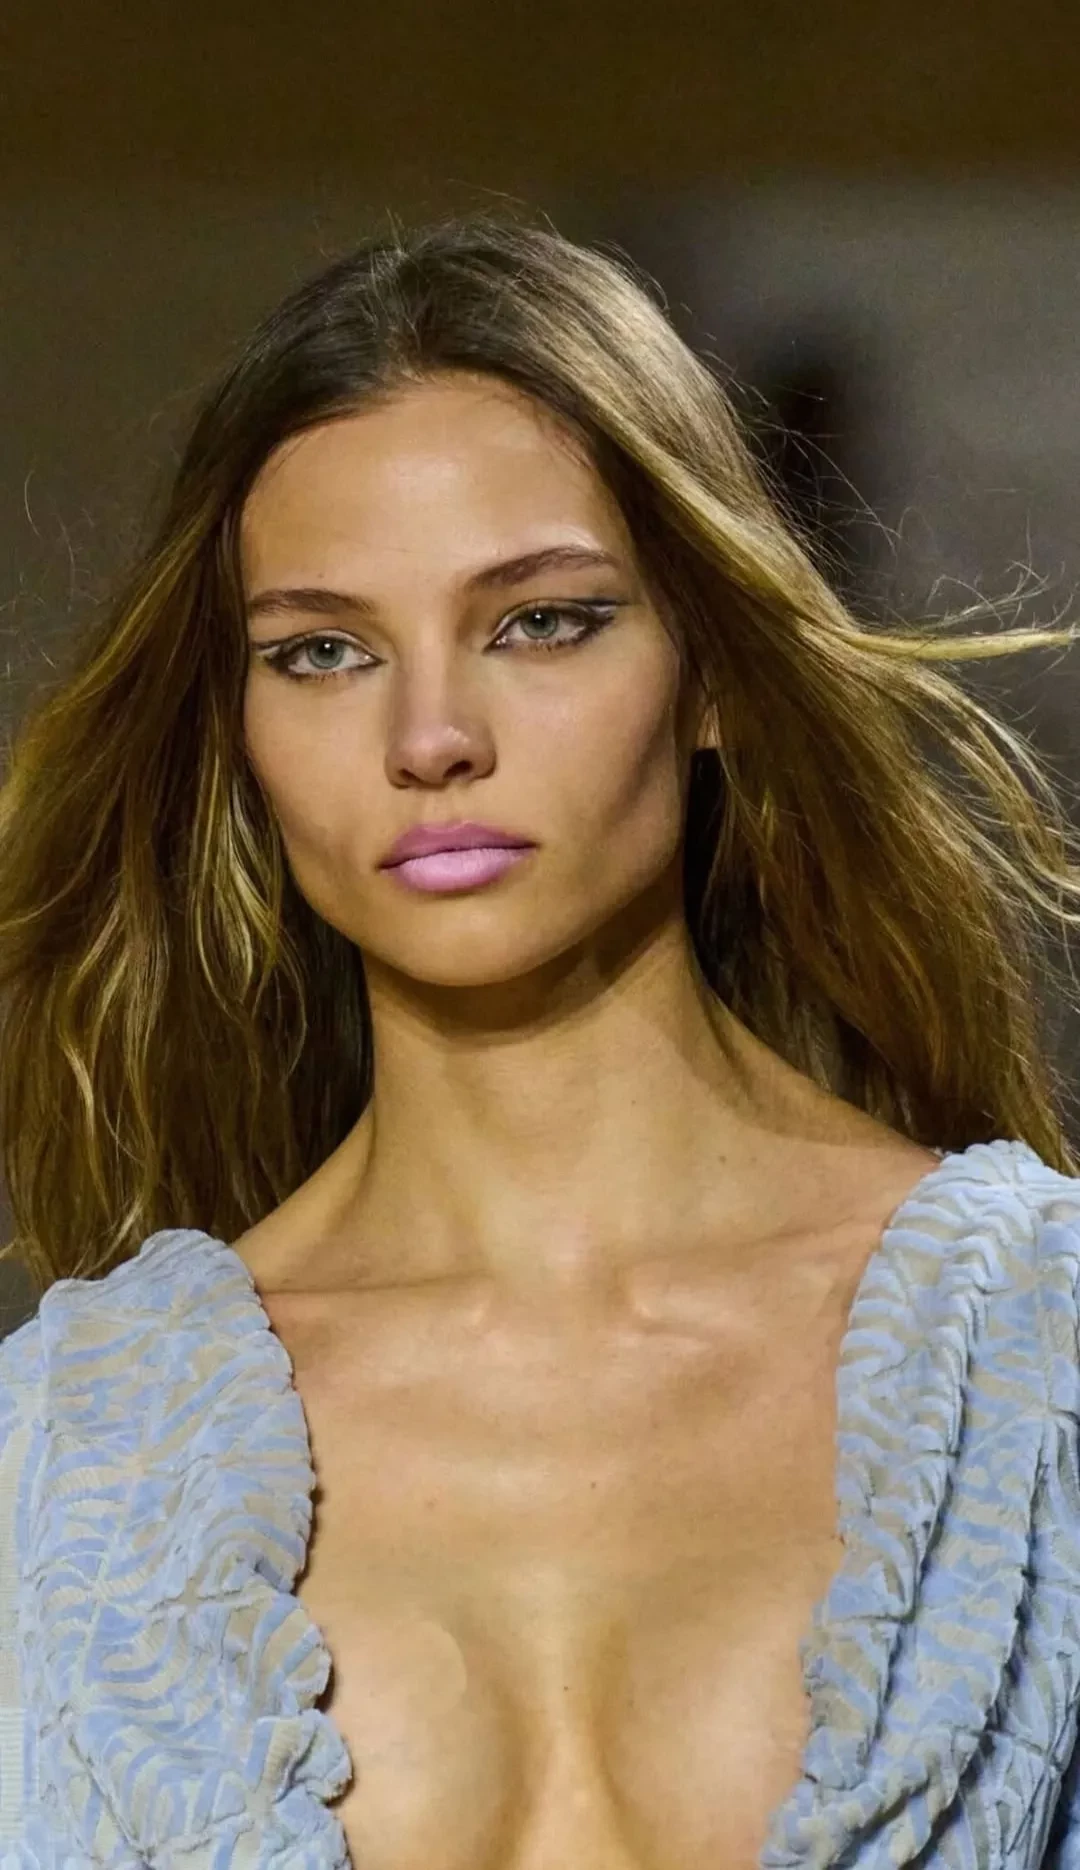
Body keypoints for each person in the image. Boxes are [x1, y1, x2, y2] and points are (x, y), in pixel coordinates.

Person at [0, 212, 1078, 1869]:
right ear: (241, 730)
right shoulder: (69, 1456)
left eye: (542, 621)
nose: (431, 735)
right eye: (322, 652)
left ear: (713, 670)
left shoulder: (1041, 1356)